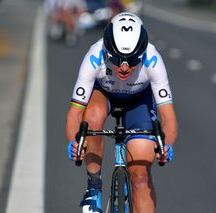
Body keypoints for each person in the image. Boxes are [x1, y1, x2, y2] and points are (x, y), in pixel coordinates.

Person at [66, 12, 178, 213]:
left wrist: (166, 145)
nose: (125, 67)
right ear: (107, 51)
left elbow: (168, 117)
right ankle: (93, 186)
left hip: (139, 100)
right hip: (105, 94)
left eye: (132, 60)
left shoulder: (153, 59)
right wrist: (75, 143)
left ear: (142, 53)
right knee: (91, 117)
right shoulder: (94, 55)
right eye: (117, 59)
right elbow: (75, 112)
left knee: (140, 175)